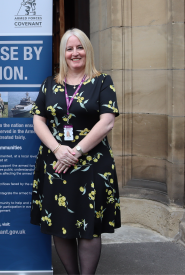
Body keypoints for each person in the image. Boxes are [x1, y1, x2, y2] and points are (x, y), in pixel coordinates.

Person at [29, 28, 120, 275]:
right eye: (69, 49)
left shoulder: (102, 81)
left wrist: (76, 152)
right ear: (63, 53)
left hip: (92, 164)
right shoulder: (50, 84)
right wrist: (59, 149)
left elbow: (107, 121)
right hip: (56, 164)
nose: (75, 53)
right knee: (61, 224)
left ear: (87, 50)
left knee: (89, 225)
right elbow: (38, 121)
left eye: (79, 47)